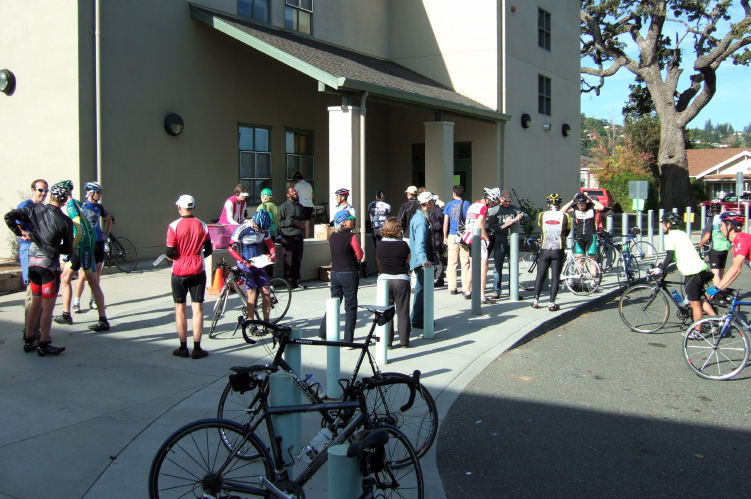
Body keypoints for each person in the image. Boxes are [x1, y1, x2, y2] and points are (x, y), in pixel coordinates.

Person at [5, 181, 74, 356]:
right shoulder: (64, 221)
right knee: (47, 306)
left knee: (35, 302)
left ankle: (29, 339)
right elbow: (67, 248)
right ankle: (43, 343)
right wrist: (55, 247)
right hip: (49, 267)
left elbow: (9, 216)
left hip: (33, 264)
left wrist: (19, 233)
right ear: (65, 200)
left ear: (51, 196)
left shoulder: (34, 210)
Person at [53, 181, 110, 332]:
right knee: (67, 277)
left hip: (81, 247)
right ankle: (70, 314)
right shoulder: (78, 203)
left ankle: (98, 319)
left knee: (89, 281)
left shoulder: (71, 206)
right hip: (88, 245)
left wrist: (72, 246)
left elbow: (78, 228)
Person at [650, 212, 715, 337]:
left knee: (694, 303)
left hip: (692, 271)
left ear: (668, 224)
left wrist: (660, 269)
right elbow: (678, 254)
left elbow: (669, 256)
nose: (662, 226)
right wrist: (662, 265)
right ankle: (716, 321)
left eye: (663, 224)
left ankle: (698, 332)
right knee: (698, 299)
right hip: (700, 268)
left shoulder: (670, 237)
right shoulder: (682, 234)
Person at [166, 195, 213, 359]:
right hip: (197, 269)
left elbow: (170, 253)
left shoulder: (173, 226)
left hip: (179, 271)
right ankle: (197, 348)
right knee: (197, 309)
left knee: (180, 310)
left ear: (179, 207)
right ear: (193, 207)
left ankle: (183, 347)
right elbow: (209, 250)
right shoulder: (202, 225)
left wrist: (173, 257)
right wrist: (197, 256)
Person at [319, 209, 364, 343]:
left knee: (334, 303)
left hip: (335, 273)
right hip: (349, 273)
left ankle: (323, 332)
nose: (353, 221)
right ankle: (348, 340)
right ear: (344, 222)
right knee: (350, 307)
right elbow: (360, 255)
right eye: (351, 219)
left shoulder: (332, 236)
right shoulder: (351, 237)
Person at [227, 209, 277, 321]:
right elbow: (230, 248)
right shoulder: (242, 229)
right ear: (254, 221)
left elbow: (270, 243)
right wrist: (243, 261)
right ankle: (251, 322)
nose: (259, 231)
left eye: (262, 229)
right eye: (258, 228)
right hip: (245, 264)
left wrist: (273, 254)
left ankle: (266, 322)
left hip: (258, 263)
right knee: (252, 295)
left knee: (266, 292)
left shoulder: (264, 228)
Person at [15, 179, 48, 341]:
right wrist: (24, 235)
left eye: (45, 191)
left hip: (42, 252)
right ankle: (29, 332)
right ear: (33, 190)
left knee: (41, 292)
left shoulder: (42, 208)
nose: (43, 194)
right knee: (32, 292)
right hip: (29, 251)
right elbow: (17, 225)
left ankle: (37, 329)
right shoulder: (25, 206)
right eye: (40, 190)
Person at [74, 181, 113, 312]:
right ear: (91, 193)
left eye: (101, 192)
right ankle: (76, 301)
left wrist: (106, 234)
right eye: (98, 192)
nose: (100, 195)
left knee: (97, 272)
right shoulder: (82, 206)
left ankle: (93, 300)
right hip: (87, 243)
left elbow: (108, 220)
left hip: (98, 242)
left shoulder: (99, 207)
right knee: (83, 273)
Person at [461, 188, 502, 303]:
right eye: (493, 203)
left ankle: (467, 290)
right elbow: (480, 223)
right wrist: (487, 238)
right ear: (489, 200)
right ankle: (482, 295)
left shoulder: (473, 206)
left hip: (468, 237)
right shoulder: (483, 208)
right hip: (479, 238)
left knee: (473, 265)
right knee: (484, 267)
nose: (493, 205)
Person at [376, 217, 411, 348]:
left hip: (384, 279)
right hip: (401, 279)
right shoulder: (403, 245)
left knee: (386, 311)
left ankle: (387, 341)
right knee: (403, 311)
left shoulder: (380, 244)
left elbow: (378, 259)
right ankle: (404, 341)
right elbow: (407, 259)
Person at [532, 193, 571, 311]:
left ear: (548, 204)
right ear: (559, 204)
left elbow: (541, 228)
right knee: (555, 277)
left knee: (540, 276)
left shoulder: (542, 215)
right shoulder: (565, 216)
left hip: (545, 248)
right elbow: (567, 232)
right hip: (557, 249)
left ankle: (535, 300)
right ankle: (551, 303)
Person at [489, 189, 528, 299]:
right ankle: (496, 290)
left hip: (513, 242)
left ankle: (513, 291)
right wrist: (505, 224)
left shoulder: (514, 208)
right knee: (497, 267)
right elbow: (491, 226)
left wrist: (521, 216)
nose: (508, 203)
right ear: (501, 199)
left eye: (509, 201)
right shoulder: (494, 210)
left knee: (513, 267)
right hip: (499, 241)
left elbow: (527, 217)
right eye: (506, 201)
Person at [707, 211, 751, 297]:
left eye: (722, 225)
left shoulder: (743, 239)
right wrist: (721, 288)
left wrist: (717, 288)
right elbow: (736, 271)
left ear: (729, 226)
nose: (720, 228)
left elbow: (736, 268)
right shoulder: (736, 242)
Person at [409, 191, 436, 329]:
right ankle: (417, 318)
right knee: (421, 289)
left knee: (422, 289)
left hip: (420, 260)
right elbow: (420, 243)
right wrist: (424, 261)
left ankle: (419, 317)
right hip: (421, 261)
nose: (434, 203)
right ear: (427, 203)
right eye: (432, 201)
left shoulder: (420, 218)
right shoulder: (420, 220)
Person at [561, 192, 604, 272]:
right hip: (580, 236)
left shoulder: (591, 206)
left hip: (591, 236)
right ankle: (580, 279)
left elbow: (601, 207)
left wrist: (589, 198)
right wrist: (573, 200)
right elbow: (562, 210)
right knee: (580, 259)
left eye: (583, 205)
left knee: (592, 260)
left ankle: (593, 280)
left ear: (586, 202)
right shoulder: (575, 207)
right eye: (579, 205)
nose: (581, 207)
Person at [443, 185, 471, 296]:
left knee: (452, 262)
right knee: (465, 262)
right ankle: (466, 287)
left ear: (454, 194)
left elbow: (446, 223)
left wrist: (445, 236)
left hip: (452, 234)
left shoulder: (449, 205)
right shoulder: (467, 204)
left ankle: (453, 287)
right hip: (463, 235)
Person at [278, 186, 306, 289]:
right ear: (288, 195)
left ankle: (297, 282)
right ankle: (288, 283)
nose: (295, 193)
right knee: (288, 261)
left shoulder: (300, 207)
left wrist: (302, 223)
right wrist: (292, 222)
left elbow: (303, 218)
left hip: (299, 236)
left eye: (295, 191)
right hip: (288, 237)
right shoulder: (283, 207)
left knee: (297, 260)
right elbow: (279, 222)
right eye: (292, 192)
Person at [699, 199, 731, 286]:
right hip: (725, 247)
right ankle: (722, 290)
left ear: (711, 208)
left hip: (716, 248)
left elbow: (707, 236)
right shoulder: (724, 218)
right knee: (721, 271)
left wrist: (700, 245)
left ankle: (717, 294)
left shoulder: (711, 219)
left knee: (715, 273)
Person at [428, 198, 445, 287]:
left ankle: (440, 278)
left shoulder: (437, 210)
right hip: (430, 237)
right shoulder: (429, 210)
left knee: (438, 257)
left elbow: (440, 224)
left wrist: (432, 226)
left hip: (436, 237)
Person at [292, 171, 315, 238]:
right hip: (310, 205)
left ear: (296, 179)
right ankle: (307, 239)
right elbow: (313, 196)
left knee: (300, 223)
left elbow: (294, 195)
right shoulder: (309, 184)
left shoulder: (297, 185)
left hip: (302, 205)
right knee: (307, 225)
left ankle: (300, 239)